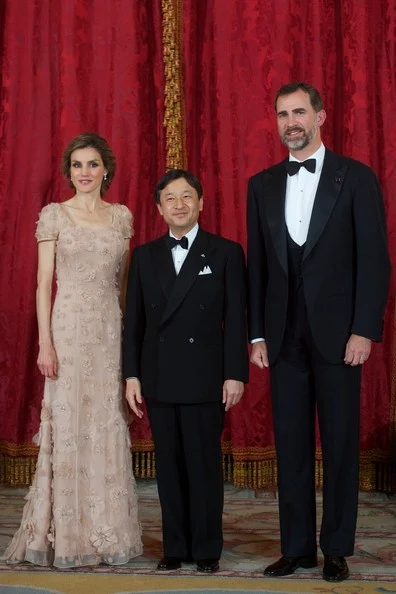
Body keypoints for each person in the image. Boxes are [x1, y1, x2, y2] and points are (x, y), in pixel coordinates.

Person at [247, 82, 390, 582]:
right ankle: (298, 548)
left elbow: (375, 261)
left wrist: (363, 330)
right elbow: (258, 267)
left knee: (340, 444)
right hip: (282, 335)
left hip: (339, 336)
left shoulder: (356, 178)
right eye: (283, 113)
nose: (292, 122)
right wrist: (255, 335)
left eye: (300, 112)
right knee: (290, 444)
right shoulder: (261, 184)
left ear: (321, 116)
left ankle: (335, 548)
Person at [2, 133, 143, 567]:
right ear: (69, 172)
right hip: (66, 330)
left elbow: (122, 285)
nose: (84, 172)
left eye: (92, 164)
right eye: (77, 165)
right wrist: (46, 342)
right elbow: (44, 284)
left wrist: (127, 340)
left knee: (104, 424)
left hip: (108, 331)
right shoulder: (54, 216)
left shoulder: (122, 217)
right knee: (67, 425)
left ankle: (104, 531)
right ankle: (63, 533)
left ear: (106, 170)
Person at [123, 169, 249, 573]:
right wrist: (131, 375)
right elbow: (134, 323)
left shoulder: (226, 253)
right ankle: (174, 547)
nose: (179, 204)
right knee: (170, 467)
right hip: (158, 375)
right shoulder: (143, 256)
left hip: (205, 375)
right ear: (159, 209)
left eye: (187, 196)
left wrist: (235, 373)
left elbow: (236, 320)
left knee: (203, 465)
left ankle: (207, 547)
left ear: (201, 203)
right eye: (170, 199)